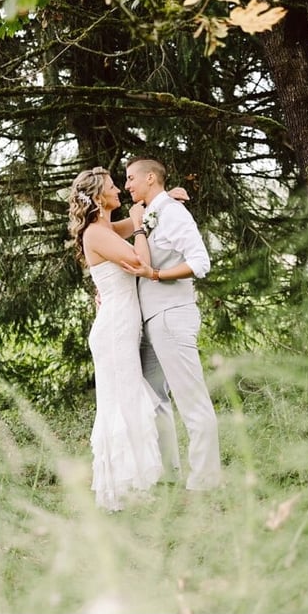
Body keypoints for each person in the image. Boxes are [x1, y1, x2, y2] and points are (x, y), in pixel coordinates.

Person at [116, 156, 222, 491]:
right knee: (152, 397)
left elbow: (200, 262)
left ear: (150, 178)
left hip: (172, 316)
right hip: (151, 319)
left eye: (131, 178)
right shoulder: (150, 213)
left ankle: (205, 481)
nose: (127, 185)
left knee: (191, 400)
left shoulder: (173, 213)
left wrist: (157, 274)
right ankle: (168, 472)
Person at [67, 166, 164, 511]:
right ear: (97, 198)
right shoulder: (95, 232)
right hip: (114, 329)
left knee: (125, 399)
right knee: (121, 402)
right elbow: (140, 259)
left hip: (120, 323)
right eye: (112, 187)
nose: (120, 190)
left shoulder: (105, 228)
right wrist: (138, 225)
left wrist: (166, 200)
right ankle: (124, 488)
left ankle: (131, 483)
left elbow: (143, 222)